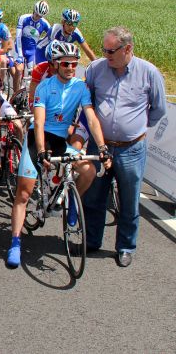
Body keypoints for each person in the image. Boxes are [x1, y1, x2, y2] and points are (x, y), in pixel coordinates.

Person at [6, 42, 111, 268]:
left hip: (61, 141)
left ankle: (71, 202)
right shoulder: (45, 87)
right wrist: (42, 150)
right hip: (39, 138)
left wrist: (101, 147)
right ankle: (15, 241)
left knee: (88, 169)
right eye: (65, 64)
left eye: (74, 64)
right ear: (55, 64)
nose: (70, 68)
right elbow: (40, 121)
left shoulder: (80, 88)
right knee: (23, 194)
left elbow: (91, 118)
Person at [82, 26, 167, 268]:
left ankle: (125, 247)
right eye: (104, 50)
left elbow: (158, 109)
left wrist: (134, 128)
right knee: (94, 196)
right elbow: (87, 102)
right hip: (100, 146)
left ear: (127, 49)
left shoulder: (149, 73)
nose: (106, 55)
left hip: (131, 149)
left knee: (129, 202)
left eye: (110, 51)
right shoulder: (96, 69)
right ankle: (92, 241)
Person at [14, 0, 51, 92]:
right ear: (33, 10)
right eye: (36, 14)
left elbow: (51, 38)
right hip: (20, 48)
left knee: (32, 75)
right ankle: (15, 94)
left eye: (40, 16)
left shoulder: (45, 23)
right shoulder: (24, 18)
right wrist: (19, 54)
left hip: (32, 52)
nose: (37, 17)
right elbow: (18, 37)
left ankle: (29, 97)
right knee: (19, 71)